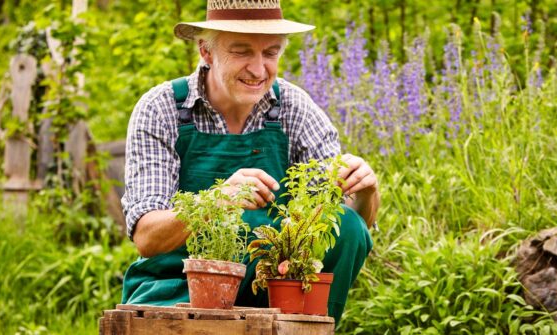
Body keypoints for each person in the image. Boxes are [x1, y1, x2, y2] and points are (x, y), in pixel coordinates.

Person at [119, 0, 379, 323]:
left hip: (268, 285)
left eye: (270, 53)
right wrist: (218, 200)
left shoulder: (294, 108)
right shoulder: (162, 109)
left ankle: (305, 329)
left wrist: (365, 191)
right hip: (175, 287)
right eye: (242, 51)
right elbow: (146, 237)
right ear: (206, 52)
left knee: (349, 228)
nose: (258, 70)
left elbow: (349, 233)